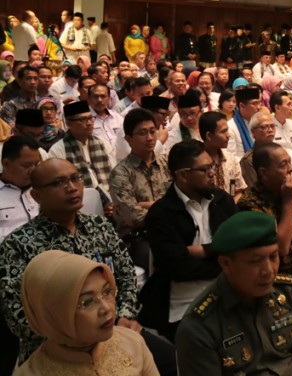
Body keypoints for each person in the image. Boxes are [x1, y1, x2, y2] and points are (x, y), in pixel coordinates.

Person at [0, 158, 174, 368]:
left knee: (172, 362)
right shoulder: (18, 245)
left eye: (75, 178)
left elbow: (126, 277)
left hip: (114, 328)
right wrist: (80, 335)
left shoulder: (100, 227)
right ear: (37, 196)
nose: (72, 188)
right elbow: (18, 315)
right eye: (58, 183)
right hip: (56, 348)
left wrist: (124, 315)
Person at [176, 212, 292, 375]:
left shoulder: (285, 292)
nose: (268, 271)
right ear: (226, 264)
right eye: (255, 261)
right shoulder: (200, 326)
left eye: (273, 257)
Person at [142, 140, 238, 340]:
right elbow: (178, 268)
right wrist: (225, 262)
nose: (212, 173)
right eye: (204, 169)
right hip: (184, 302)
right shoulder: (161, 214)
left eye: (212, 166)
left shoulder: (223, 201)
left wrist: (205, 250)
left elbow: (240, 248)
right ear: (183, 175)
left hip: (230, 290)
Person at [14, 250, 158, 376]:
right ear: (54, 315)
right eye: (87, 302)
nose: (106, 308)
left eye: (106, 291)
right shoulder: (31, 373)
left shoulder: (132, 343)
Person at [237, 142, 292, 274]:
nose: (290, 169)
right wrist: (289, 201)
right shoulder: (249, 204)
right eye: (283, 165)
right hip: (279, 275)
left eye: (290, 162)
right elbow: (281, 249)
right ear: (264, 173)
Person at [109, 108, 172, 241]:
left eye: (152, 131)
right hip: (139, 237)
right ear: (128, 139)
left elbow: (184, 199)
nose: (150, 138)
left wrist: (146, 205)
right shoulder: (120, 173)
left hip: (172, 231)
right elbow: (134, 217)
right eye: (143, 133)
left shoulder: (166, 163)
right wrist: (169, 209)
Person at [201, 111, 247, 199]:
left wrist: (232, 204)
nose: (228, 135)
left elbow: (238, 190)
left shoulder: (231, 159)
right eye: (223, 132)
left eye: (227, 130)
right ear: (209, 136)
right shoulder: (197, 162)